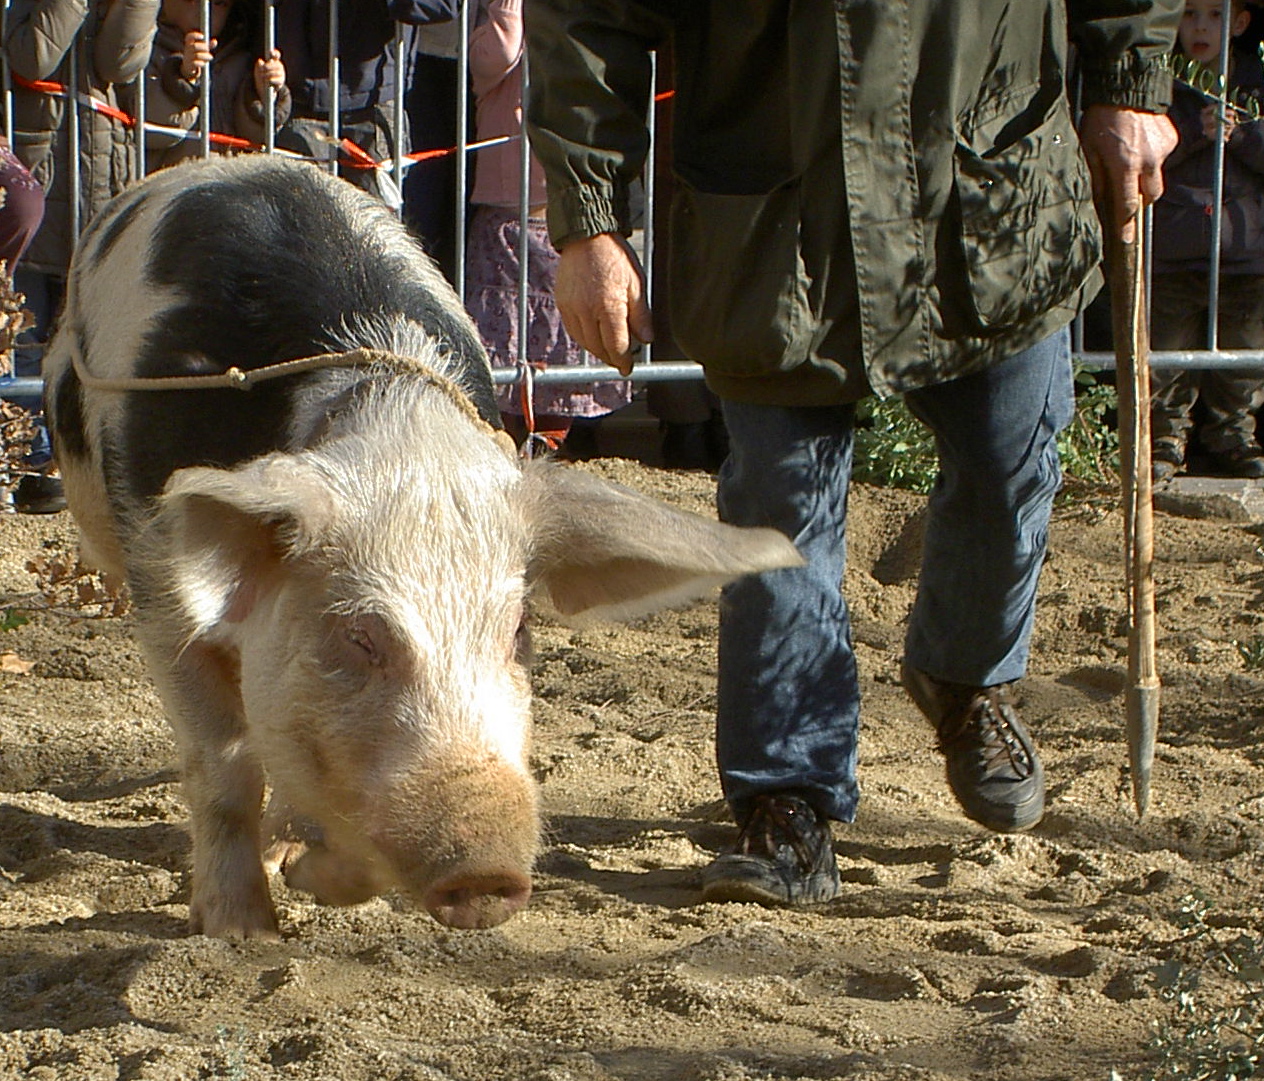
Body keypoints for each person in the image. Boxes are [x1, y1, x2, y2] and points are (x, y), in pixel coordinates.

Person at [524, 2, 1180, 905]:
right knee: (781, 519)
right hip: (772, 213)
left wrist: (1129, 83)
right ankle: (787, 800)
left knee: (1011, 460)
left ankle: (966, 677)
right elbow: (588, 15)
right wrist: (589, 221)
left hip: (997, 187)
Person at [3, 0, 157, 514]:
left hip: (100, 184)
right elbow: (33, 56)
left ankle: (82, 463)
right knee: (26, 335)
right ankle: (30, 463)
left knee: (91, 338)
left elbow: (120, 63)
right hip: (40, 173)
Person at [465, 0, 630, 452]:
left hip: (566, 211)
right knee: (503, 333)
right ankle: (505, 433)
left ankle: (553, 436)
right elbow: (500, 51)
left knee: (564, 330)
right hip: (507, 212)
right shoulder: (496, 29)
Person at [1150, 0, 1264, 481]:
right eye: (1189, 13)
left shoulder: (1255, 82)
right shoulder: (1159, 79)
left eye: (1215, 15)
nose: (1200, 27)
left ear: (1240, 23)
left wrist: (1242, 135)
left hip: (1245, 250)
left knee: (1242, 357)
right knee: (1165, 354)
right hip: (1174, 247)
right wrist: (1196, 132)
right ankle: (1163, 439)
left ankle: (1232, 435)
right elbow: (1143, 151)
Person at [275, 0, 452, 205]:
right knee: (301, 217)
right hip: (297, 98)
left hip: (374, 104)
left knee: (374, 218)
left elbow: (445, 5)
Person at [143, 0, 291, 173]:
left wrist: (264, 94)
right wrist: (184, 81)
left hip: (227, 181)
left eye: (220, 3)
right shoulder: (147, 52)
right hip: (172, 180)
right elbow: (152, 133)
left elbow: (257, 138)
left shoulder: (240, 60)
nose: (204, 10)